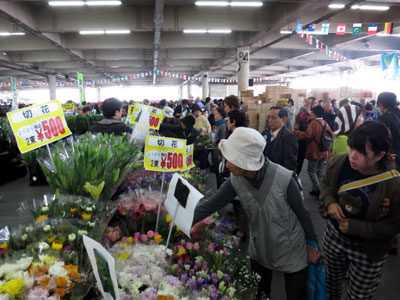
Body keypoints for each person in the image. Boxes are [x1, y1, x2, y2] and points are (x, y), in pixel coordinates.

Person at [193, 127, 319, 300]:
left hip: (290, 246)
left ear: (245, 162)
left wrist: (312, 243)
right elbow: (212, 205)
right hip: (261, 245)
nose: (227, 165)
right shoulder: (236, 180)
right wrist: (182, 219)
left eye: (231, 160)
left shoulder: (284, 179)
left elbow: (303, 213)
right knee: (259, 292)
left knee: (296, 294)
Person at [320, 121, 400, 300]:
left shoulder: (393, 184)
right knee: (330, 284)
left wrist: (356, 227)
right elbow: (325, 185)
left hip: (369, 250)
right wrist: (330, 202)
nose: (352, 156)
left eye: (361, 152)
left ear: (379, 156)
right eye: (351, 148)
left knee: (360, 295)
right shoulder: (339, 162)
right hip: (334, 237)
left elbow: (394, 225)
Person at [294, 105, 333, 196]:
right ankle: (315, 189)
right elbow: (331, 134)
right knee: (319, 171)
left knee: (311, 171)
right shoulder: (324, 122)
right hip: (324, 150)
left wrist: (296, 132)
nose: (310, 113)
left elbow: (308, 135)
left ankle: (319, 188)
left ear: (315, 113)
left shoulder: (314, 123)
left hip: (315, 151)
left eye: (311, 112)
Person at [264, 106, 298, 172]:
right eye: (269, 117)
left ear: (283, 119)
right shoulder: (267, 134)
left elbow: (289, 166)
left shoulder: (289, 137)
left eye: (273, 118)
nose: (270, 120)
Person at [377, 92, 400, 170]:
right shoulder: (397, 115)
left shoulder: (383, 119)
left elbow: (379, 139)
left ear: (380, 104)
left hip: (391, 156)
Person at [295, 96, 318, 175]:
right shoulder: (303, 112)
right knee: (299, 157)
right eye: (307, 103)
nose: (308, 104)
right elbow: (300, 122)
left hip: (312, 140)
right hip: (302, 138)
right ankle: (296, 174)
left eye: (311, 103)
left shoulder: (316, 113)